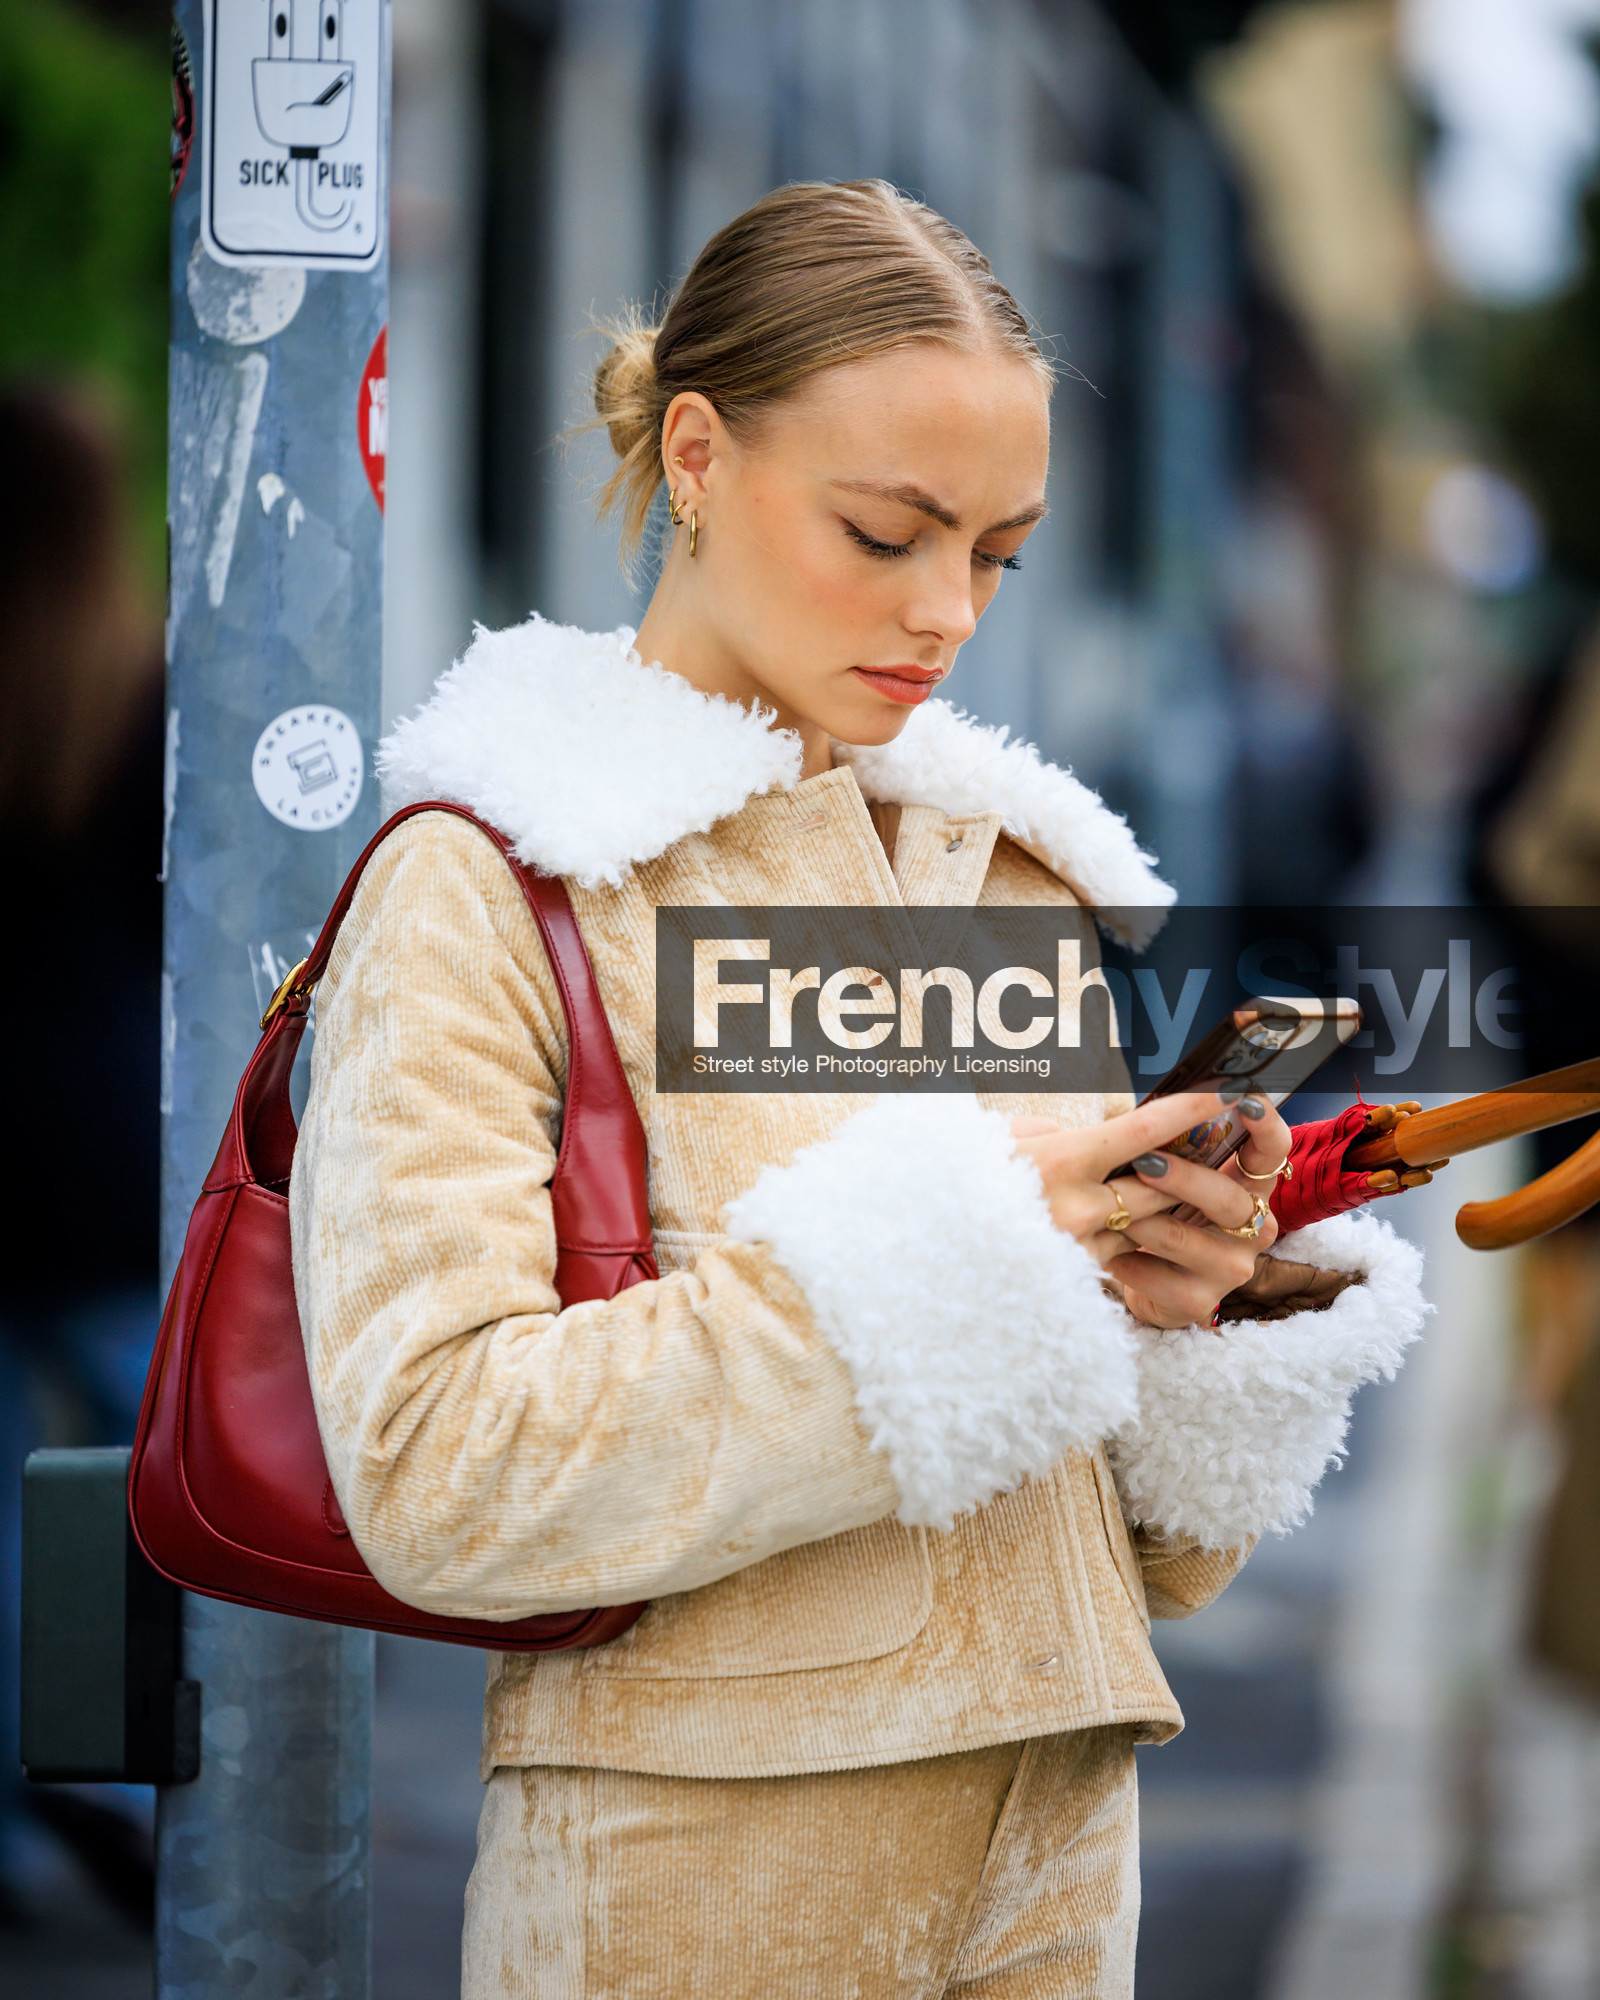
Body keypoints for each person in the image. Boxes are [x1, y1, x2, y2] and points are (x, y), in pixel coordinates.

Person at [291, 181, 1428, 1998]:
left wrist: (1188, 1306)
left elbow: (1138, 1544)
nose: (949, 611)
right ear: (697, 455)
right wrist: (964, 1266)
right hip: (695, 1866)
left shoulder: (1009, 867)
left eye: (999, 550)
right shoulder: (504, 872)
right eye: (888, 531)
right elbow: (440, 1467)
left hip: (1061, 1848)